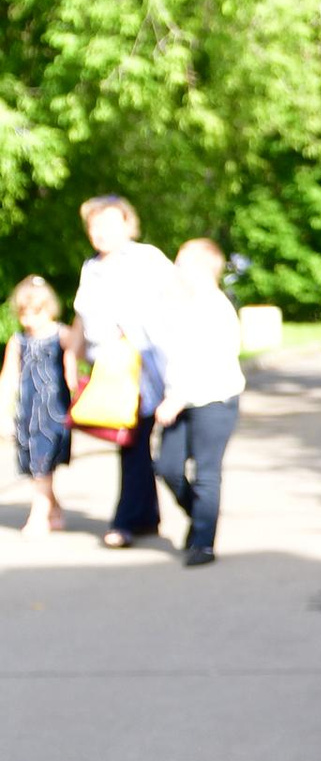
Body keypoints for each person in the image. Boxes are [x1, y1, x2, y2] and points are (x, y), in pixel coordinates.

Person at [72, 197, 176, 548]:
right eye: (94, 226)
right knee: (133, 444)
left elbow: (177, 300)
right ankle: (141, 518)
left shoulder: (147, 258)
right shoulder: (91, 268)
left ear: (128, 224)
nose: (100, 233)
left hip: (151, 368)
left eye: (109, 224)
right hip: (115, 374)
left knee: (138, 444)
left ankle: (131, 519)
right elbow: (84, 321)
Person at [152, 239, 247, 567]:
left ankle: (203, 543)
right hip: (180, 401)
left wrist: (176, 399)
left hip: (213, 401)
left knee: (207, 472)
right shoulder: (185, 304)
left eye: (182, 263)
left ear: (203, 267)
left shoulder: (215, 307)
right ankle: (200, 515)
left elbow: (208, 362)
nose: (176, 271)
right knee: (167, 466)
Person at [6, 274, 76, 537]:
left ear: (48, 309)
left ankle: (39, 514)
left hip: (53, 412)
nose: (28, 321)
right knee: (34, 463)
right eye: (23, 314)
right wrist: (4, 412)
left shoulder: (61, 335)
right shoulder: (18, 341)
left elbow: (75, 363)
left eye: (34, 313)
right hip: (27, 412)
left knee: (43, 461)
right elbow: (9, 377)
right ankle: (53, 508)